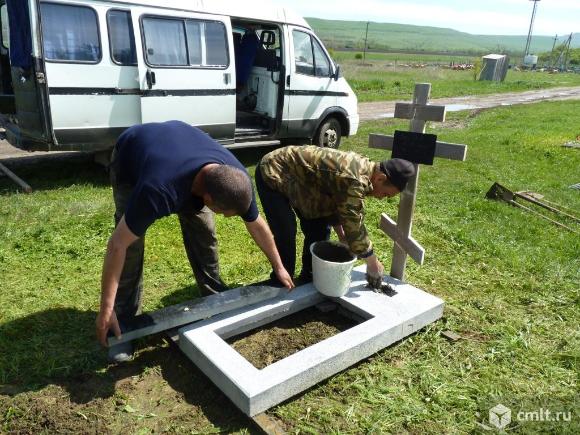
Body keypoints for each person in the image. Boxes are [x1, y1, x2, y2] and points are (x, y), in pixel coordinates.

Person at [97, 121, 294, 362]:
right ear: (208, 197)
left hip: (180, 148)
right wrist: (105, 308)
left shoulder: (235, 178)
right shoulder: (157, 190)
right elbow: (118, 245)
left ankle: (215, 299)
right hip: (131, 157)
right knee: (131, 247)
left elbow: (256, 224)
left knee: (204, 232)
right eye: (223, 212)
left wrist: (279, 266)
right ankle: (122, 324)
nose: (225, 216)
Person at [255, 145, 415, 288]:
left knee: (318, 227)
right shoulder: (355, 179)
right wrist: (372, 262)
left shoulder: (366, 170)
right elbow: (354, 223)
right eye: (385, 193)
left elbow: (338, 202)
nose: (381, 197)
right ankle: (280, 281)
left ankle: (309, 277)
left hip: (304, 181)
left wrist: (341, 235)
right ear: (381, 178)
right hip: (273, 169)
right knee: (286, 230)